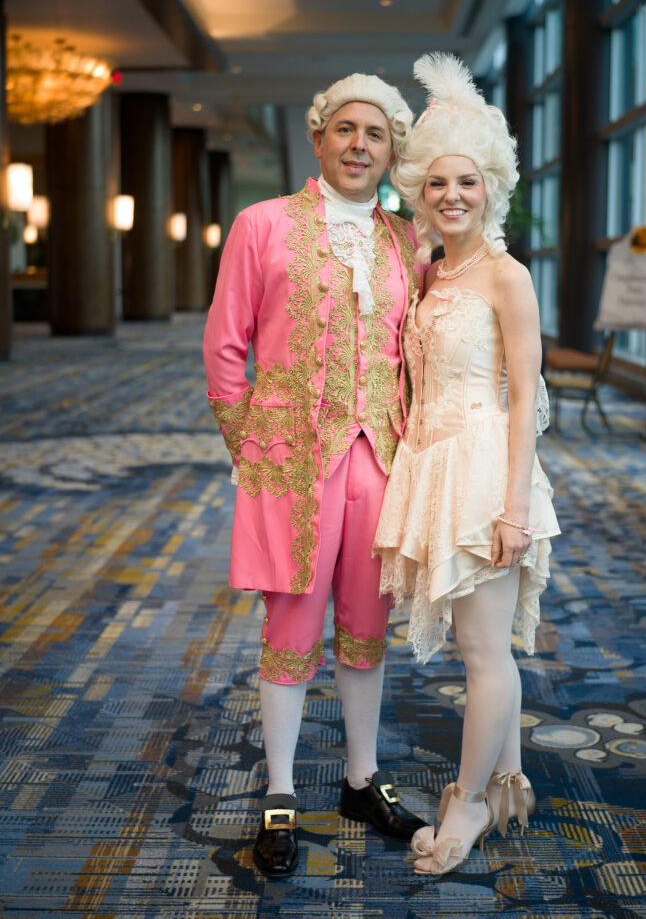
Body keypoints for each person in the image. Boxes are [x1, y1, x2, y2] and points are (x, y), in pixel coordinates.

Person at [203, 72, 426, 879]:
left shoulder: (407, 242)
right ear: (320, 137)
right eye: (346, 130)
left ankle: (363, 780)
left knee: (367, 629)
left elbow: (419, 352)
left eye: (376, 134)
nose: (360, 145)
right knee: (290, 631)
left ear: (391, 150)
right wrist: (249, 444)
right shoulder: (262, 225)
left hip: (384, 459)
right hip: (291, 462)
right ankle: (283, 790)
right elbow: (226, 346)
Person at [373, 53, 560, 876]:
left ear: (492, 189)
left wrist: (513, 508)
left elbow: (526, 399)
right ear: (420, 194)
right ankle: (510, 777)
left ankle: (470, 802)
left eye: (468, 183)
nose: (452, 196)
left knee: (484, 655)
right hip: (434, 464)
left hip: (488, 470)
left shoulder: (508, 278)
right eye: (437, 184)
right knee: (477, 649)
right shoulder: (430, 272)